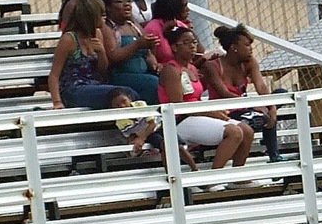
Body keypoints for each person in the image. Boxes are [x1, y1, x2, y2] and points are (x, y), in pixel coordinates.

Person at [158, 25, 254, 186]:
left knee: (247, 131)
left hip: (196, 115)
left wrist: (212, 112)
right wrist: (211, 113)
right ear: (174, 47)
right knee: (234, 132)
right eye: (186, 43)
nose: (192, 46)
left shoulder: (192, 68)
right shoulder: (171, 70)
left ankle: (237, 175)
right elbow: (178, 106)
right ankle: (211, 178)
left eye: (194, 42)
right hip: (180, 120)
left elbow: (196, 97)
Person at [201, 24, 283, 163]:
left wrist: (271, 106)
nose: (251, 49)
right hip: (225, 111)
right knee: (258, 116)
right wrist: (251, 106)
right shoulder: (212, 66)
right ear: (234, 47)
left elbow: (261, 86)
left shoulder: (249, 62)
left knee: (276, 100)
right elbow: (224, 93)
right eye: (247, 45)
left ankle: (273, 154)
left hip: (243, 108)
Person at [47, 0, 135, 110]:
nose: (105, 18)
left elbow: (102, 70)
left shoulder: (97, 34)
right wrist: (57, 102)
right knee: (118, 96)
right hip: (74, 89)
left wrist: (101, 52)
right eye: (101, 15)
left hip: (95, 84)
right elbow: (54, 75)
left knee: (130, 93)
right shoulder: (69, 39)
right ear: (90, 17)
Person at [100, 0, 161, 103]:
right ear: (108, 7)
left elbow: (148, 53)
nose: (126, 4)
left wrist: (154, 62)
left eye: (129, 1)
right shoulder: (107, 28)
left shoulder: (133, 25)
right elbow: (113, 56)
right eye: (119, 1)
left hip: (143, 73)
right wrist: (137, 44)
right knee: (153, 83)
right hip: (120, 75)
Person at [109, 89, 197, 171]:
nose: (122, 106)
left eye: (124, 101)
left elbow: (152, 124)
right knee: (164, 146)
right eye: (117, 105)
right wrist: (135, 143)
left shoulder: (140, 104)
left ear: (130, 98)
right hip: (149, 134)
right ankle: (170, 173)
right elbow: (130, 135)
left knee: (178, 146)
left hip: (160, 127)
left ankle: (194, 169)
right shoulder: (120, 121)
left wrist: (141, 139)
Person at [143, 0, 193, 67]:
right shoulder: (152, 29)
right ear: (174, 7)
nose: (188, 9)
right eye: (184, 6)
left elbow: (199, 52)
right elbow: (150, 61)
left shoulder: (182, 26)